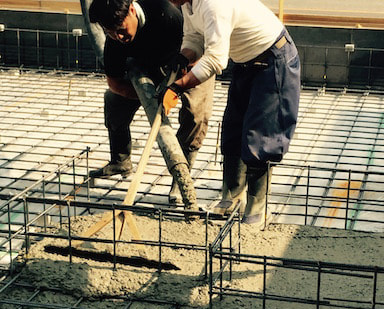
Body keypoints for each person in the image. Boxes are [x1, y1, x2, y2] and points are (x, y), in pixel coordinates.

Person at [161, 0, 300, 226]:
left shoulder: (214, 5)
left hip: (272, 59)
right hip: (245, 62)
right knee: (233, 129)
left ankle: (256, 208)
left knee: (262, 135)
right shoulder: (188, 5)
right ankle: (231, 198)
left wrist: (178, 87)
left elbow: (215, 60)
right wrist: (183, 56)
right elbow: (194, 37)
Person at [88, 0, 214, 204]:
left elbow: (202, 50)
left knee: (195, 114)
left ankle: (181, 177)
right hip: (150, 68)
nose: (118, 37)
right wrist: (151, 99)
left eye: (121, 30)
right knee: (113, 101)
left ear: (131, 10)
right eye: (110, 33)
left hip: (191, 63)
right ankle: (120, 161)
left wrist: (177, 86)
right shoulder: (115, 42)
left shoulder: (168, 15)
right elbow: (115, 84)